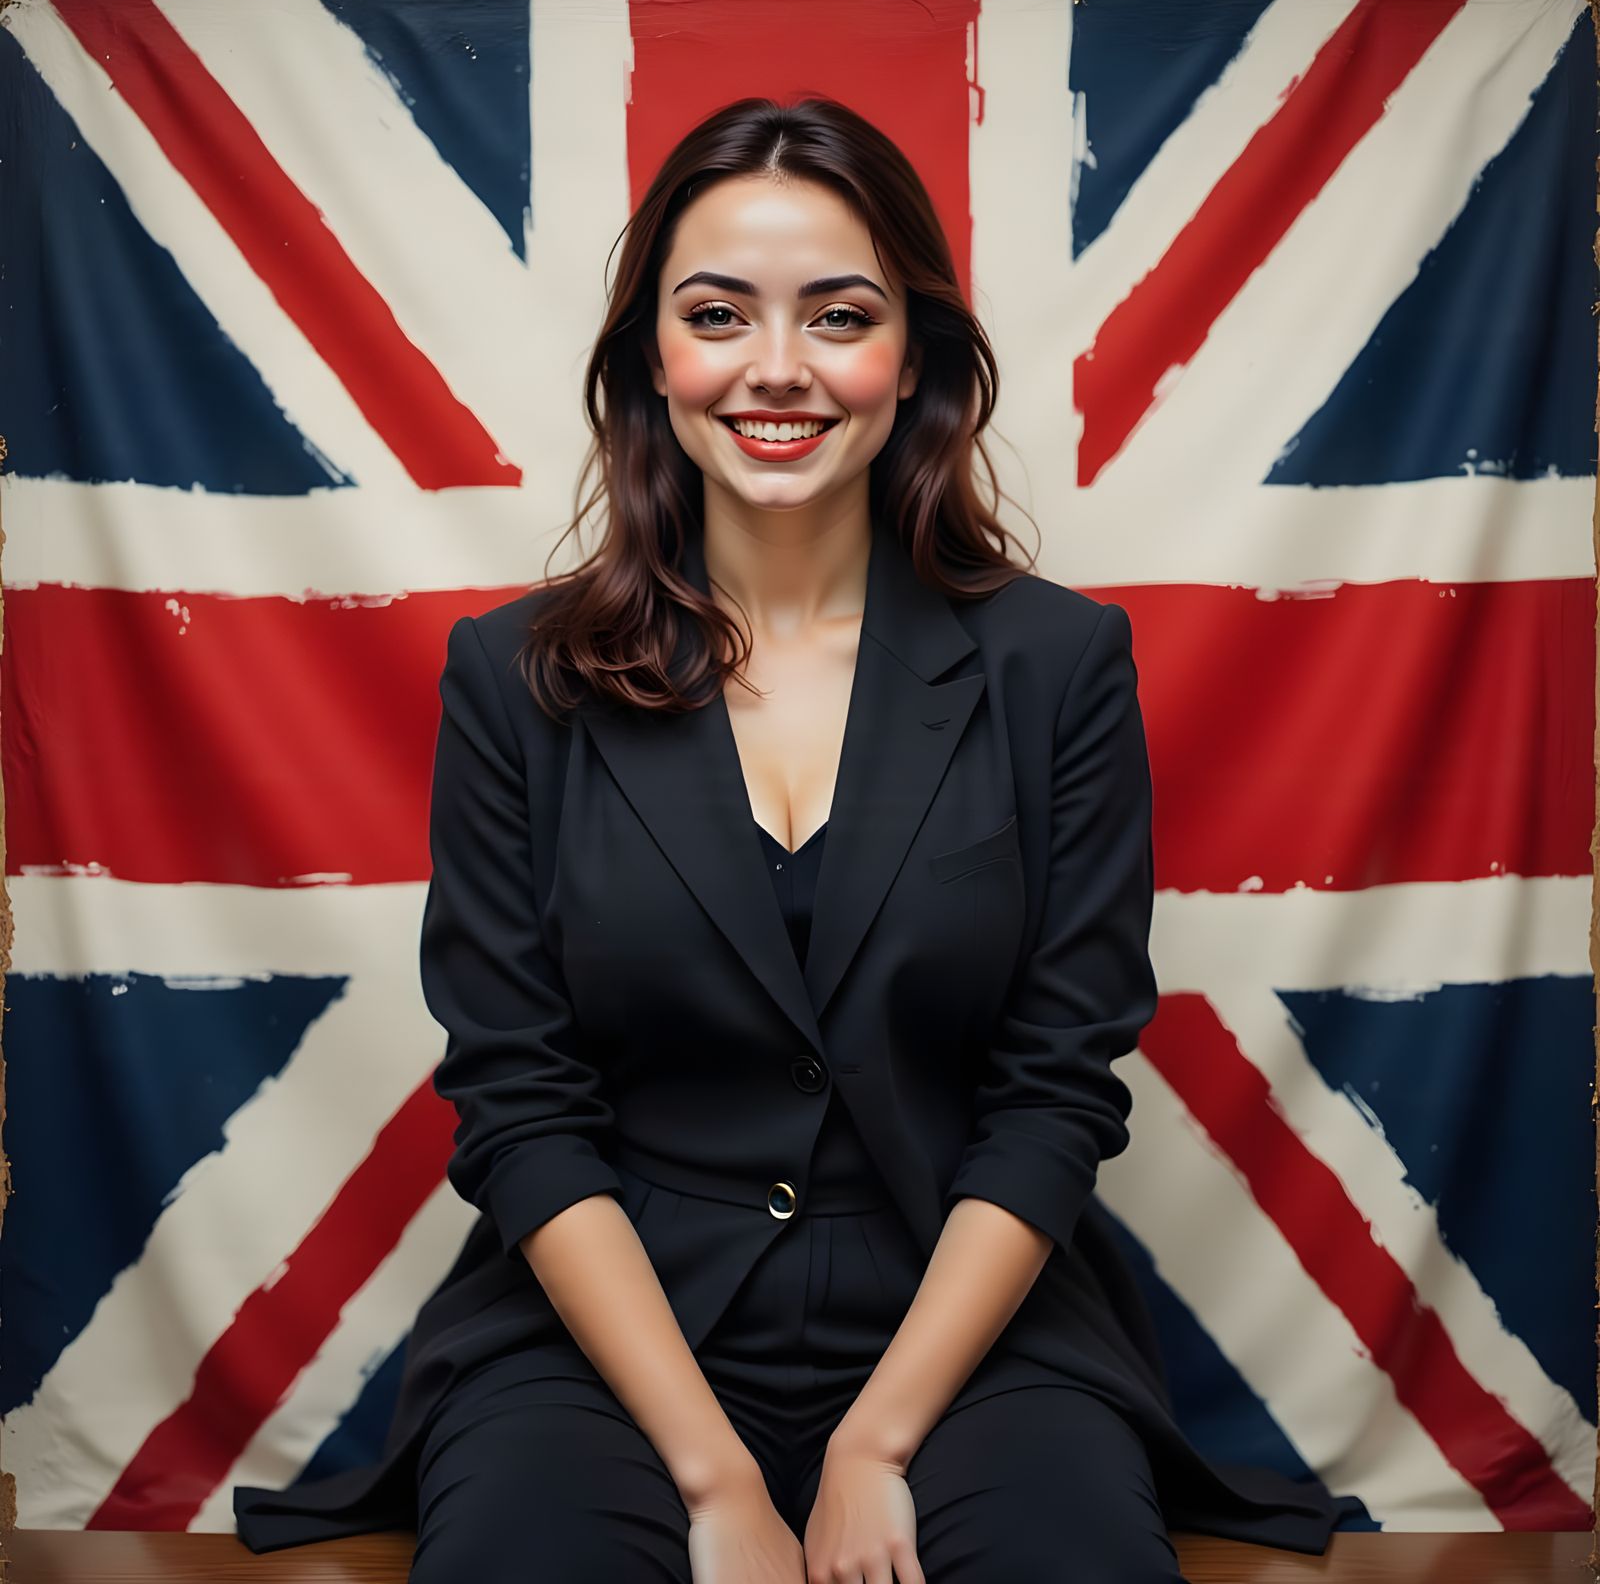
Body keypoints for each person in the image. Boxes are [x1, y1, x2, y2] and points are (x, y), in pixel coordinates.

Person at [234, 95, 1361, 1582]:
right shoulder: (515, 681)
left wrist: (877, 1443)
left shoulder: (1058, 667)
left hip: (965, 1327)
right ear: (653, 356)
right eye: (720, 315)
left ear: (917, 363)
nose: (779, 369)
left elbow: (1052, 1091)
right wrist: (713, 1481)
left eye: (840, 315)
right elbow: (520, 1101)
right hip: (606, 1332)